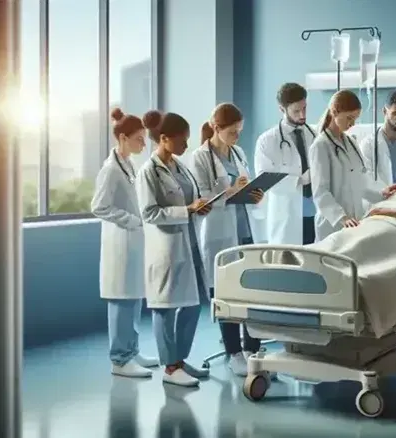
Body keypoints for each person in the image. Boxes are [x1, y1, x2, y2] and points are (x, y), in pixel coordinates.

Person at [136, 110, 212, 387]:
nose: (186, 146)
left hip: (188, 242)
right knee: (165, 308)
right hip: (166, 248)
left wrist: (200, 206)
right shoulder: (149, 172)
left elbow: (190, 201)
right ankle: (170, 368)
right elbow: (149, 213)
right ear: (164, 139)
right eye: (182, 140)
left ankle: (179, 359)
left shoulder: (181, 166)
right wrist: (186, 209)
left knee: (192, 305)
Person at [189, 103, 265, 377]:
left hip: (245, 229)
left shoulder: (239, 152)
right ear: (217, 129)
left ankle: (252, 349)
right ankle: (234, 351)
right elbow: (203, 199)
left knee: (251, 289)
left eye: (239, 132)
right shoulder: (200, 158)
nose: (237, 137)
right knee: (226, 292)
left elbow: (248, 184)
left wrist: (256, 193)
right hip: (219, 232)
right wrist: (233, 192)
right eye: (233, 132)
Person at [90, 108, 159, 378]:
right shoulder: (110, 170)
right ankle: (119, 360)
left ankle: (132, 351)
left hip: (134, 243)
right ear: (122, 137)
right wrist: (132, 220)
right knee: (121, 300)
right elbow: (98, 206)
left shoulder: (128, 163)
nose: (143, 144)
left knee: (133, 298)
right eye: (139, 139)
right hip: (120, 243)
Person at [308, 89, 396, 241]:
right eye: (349, 118)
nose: (352, 123)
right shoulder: (320, 146)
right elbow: (320, 192)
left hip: (355, 221)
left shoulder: (352, 143)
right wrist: (341, 217)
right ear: (335, 112)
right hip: (332, 225)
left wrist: (381, 194)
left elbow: (359, 182)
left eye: (355, 118)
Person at [253, 83, 317, 245]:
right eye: (296, 111)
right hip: (287, 217)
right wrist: (302, 179)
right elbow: (265, 180)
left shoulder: (314, 135)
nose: (302, 114)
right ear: (282, 109)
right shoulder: (267, 140)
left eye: (304, 108)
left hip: (315, 212)